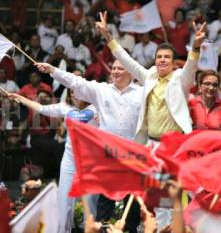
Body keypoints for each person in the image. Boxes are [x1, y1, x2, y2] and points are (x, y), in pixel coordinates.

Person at [34, 60, 143, 232]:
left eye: (120, 68)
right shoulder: (103, 90)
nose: (115, 71)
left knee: (132, 211)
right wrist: (53, 70)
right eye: (113, 68)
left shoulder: (142, 93)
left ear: (130, 72)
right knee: (104, 208)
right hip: (107, 158)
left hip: (131, 158)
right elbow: (77, 82)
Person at [96, 11, 207, 144]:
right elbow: (126, 60)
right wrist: (108, 36)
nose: (162, 60)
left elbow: (191, 67)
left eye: (167, 57)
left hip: (174, 144)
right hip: (150, 143)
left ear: (173, 62)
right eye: (159, 57)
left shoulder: (181, 79)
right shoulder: (149, 76)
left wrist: (196, 48)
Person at [7, 89, 97, 233]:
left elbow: (83, 118)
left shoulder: (95, 107)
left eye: (77, 90)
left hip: (91, 159)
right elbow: (42, 108)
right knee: (64, 201)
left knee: (90, 203)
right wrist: (20, 98)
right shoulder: (65, 106)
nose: (74, 94)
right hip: (70, 157)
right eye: (71, 91)